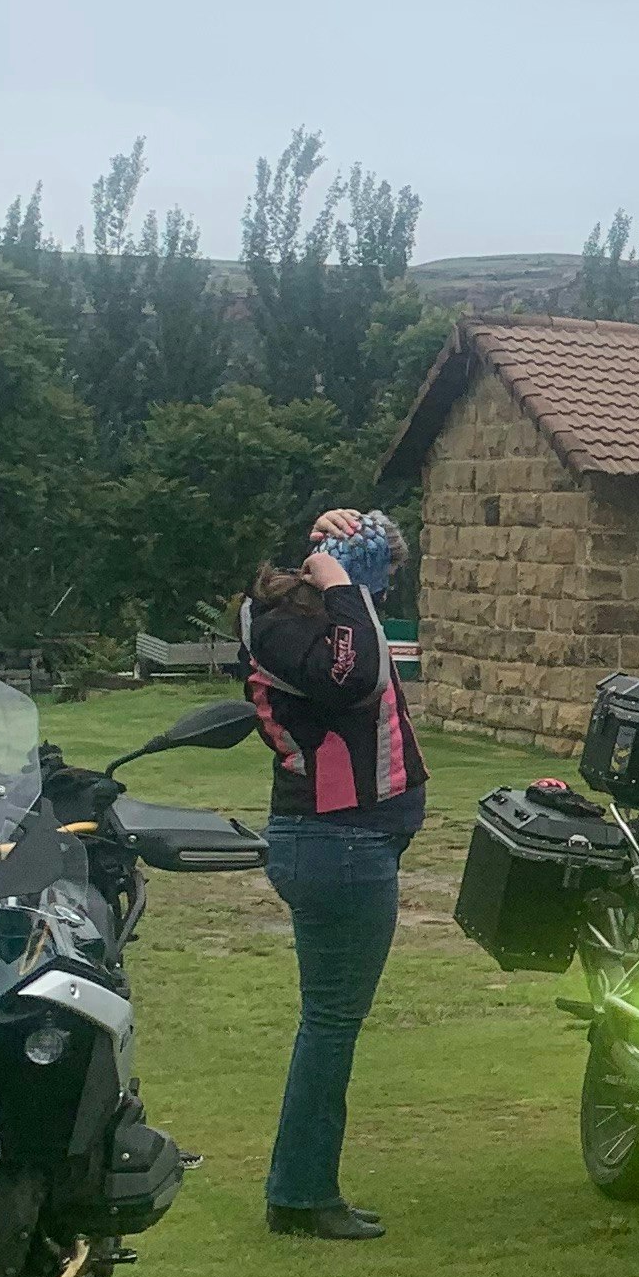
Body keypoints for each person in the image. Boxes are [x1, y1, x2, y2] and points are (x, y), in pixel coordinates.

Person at [240, 507, 424, 1239]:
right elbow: (352, 679)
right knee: (330, 1024)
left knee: (330, 1023)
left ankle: (301, 1187)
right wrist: (341, 582)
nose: (382, 591)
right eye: (378, 576)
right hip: (334, 839)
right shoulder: (282, 625)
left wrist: (335, 572)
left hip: (349, 841)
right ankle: (302, 1193)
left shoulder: (318, 617)